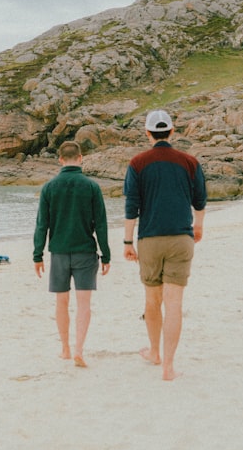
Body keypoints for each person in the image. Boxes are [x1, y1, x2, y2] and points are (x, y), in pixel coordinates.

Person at [123, 110, 207, 381]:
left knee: (152, 300)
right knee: (174, 304)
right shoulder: (189, 162)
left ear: (148, 133)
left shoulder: (137, 163)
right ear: (172, 131)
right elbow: (200, 201)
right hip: (181, 238)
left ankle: (154, 353)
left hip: (150, 240)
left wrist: (127, 241)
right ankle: (168, 366)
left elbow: (131, 206)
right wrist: (198, 226)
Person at [33, 140, 112, 368]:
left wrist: (37, 255)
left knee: (61, 301)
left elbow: (42, 225)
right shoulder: (91, 187)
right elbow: (101, 225)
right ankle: (79, 349)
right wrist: (106, 255)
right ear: (80, 158)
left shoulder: (49, 187)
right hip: (85, 252)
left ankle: (65, 349)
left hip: (58, 252)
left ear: (60, 160)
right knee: (84, 304)